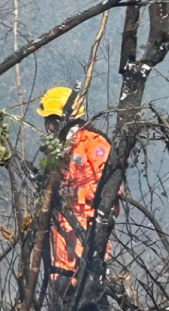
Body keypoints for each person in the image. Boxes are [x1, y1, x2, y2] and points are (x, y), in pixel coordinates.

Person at [36, 86, 117, 279]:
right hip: (62, 227)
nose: (51, 128)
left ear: (65, 117)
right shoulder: (59, 149)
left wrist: (72, 193)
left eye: (54, 121)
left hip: (88, 225)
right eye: (49, 122)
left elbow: (110, 189)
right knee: (60, 284)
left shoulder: (94, 143)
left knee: (88, 286)